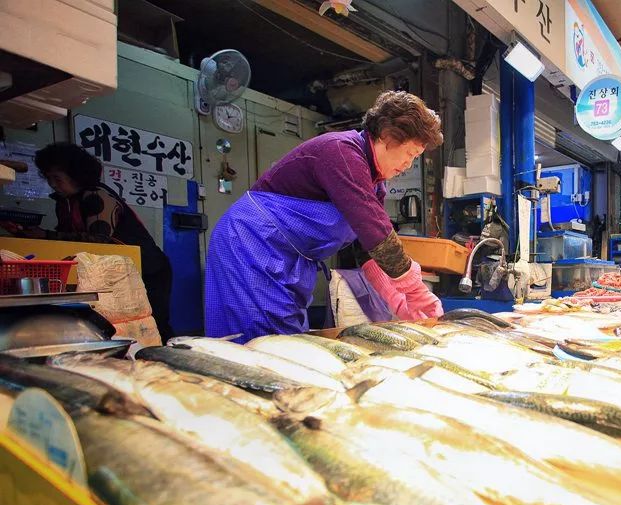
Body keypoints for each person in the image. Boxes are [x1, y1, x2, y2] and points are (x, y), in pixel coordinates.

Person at [204, 91, 443, 341]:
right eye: (410, 154)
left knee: (286, 341)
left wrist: (397, 300)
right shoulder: (341, 152)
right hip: (251, 245)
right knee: (259, 343)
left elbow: (366, 250)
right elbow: (376, 232)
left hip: (287, 260)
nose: (407, 165)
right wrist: (415, 290)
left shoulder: (375, 184)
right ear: (387, 136)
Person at [33, 142, 174, 340]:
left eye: (57, 178)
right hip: (116, 271)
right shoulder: (64, 203)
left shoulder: (97, 196)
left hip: (148, 269)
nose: (53, 184)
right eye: (48, 178)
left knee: (151, 322)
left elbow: (100, 240)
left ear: (76, 174)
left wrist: (46, 236)